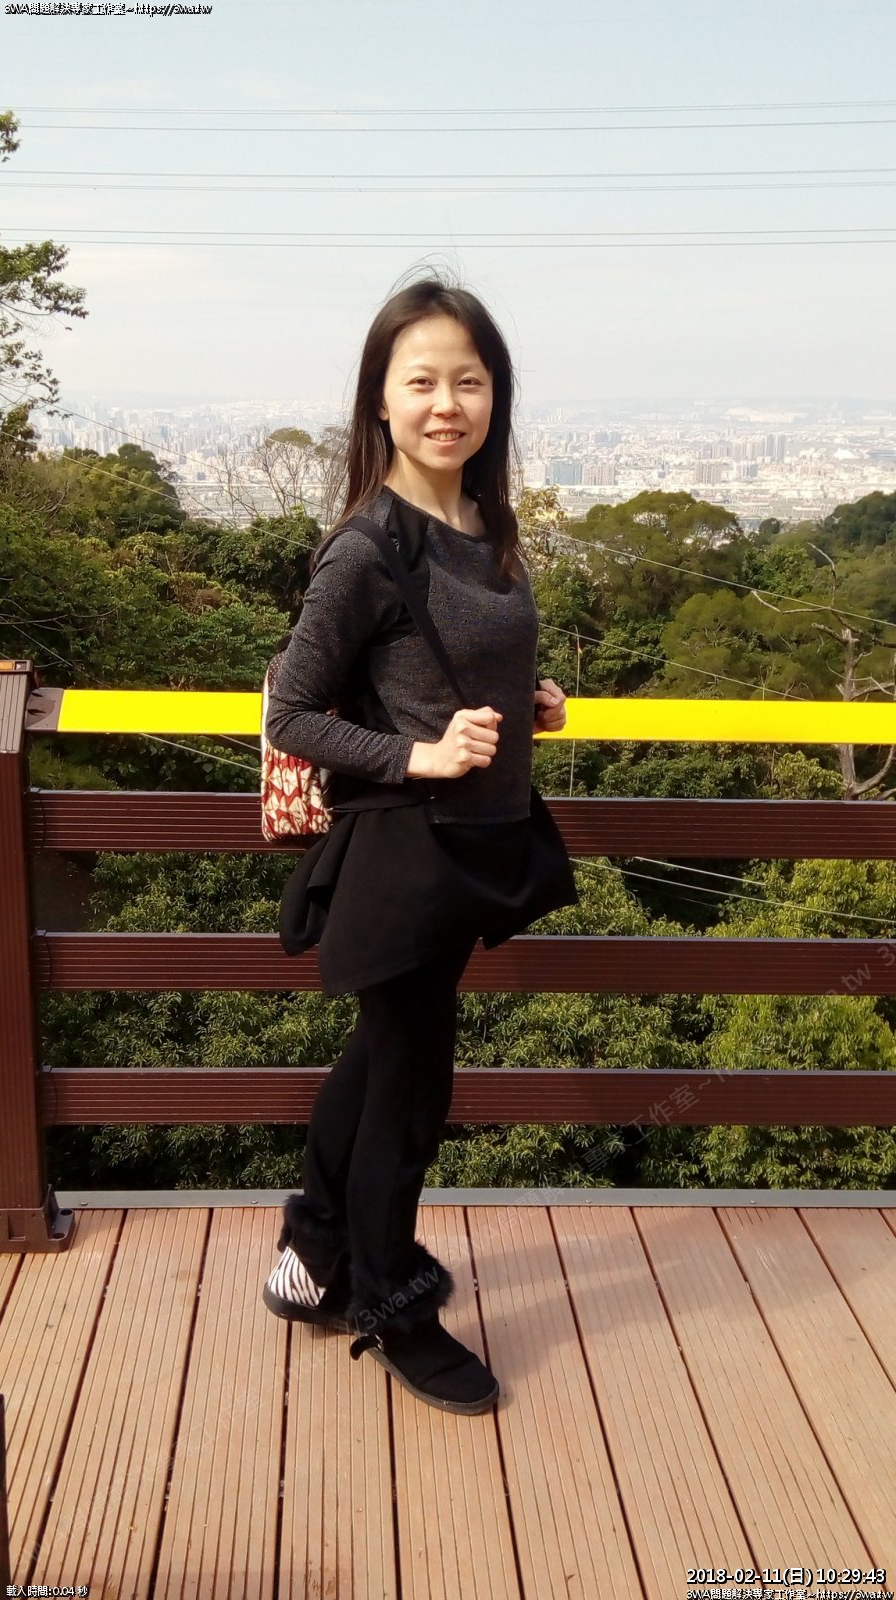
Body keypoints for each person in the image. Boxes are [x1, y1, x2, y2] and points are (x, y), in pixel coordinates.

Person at [261, 270, 579, 1416]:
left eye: (470, 380)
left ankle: (311, 1250)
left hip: (470, 851)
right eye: (423, 381)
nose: (448, 403)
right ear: (381, 399)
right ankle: (390, 1305)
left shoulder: (484, 523)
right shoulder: (369, 544)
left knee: (380, 1061)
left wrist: (525, 701)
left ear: (497, 394)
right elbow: (292, 714)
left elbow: (436, 665)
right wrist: (420, 757)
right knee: (411, 1090)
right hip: (407, 855)